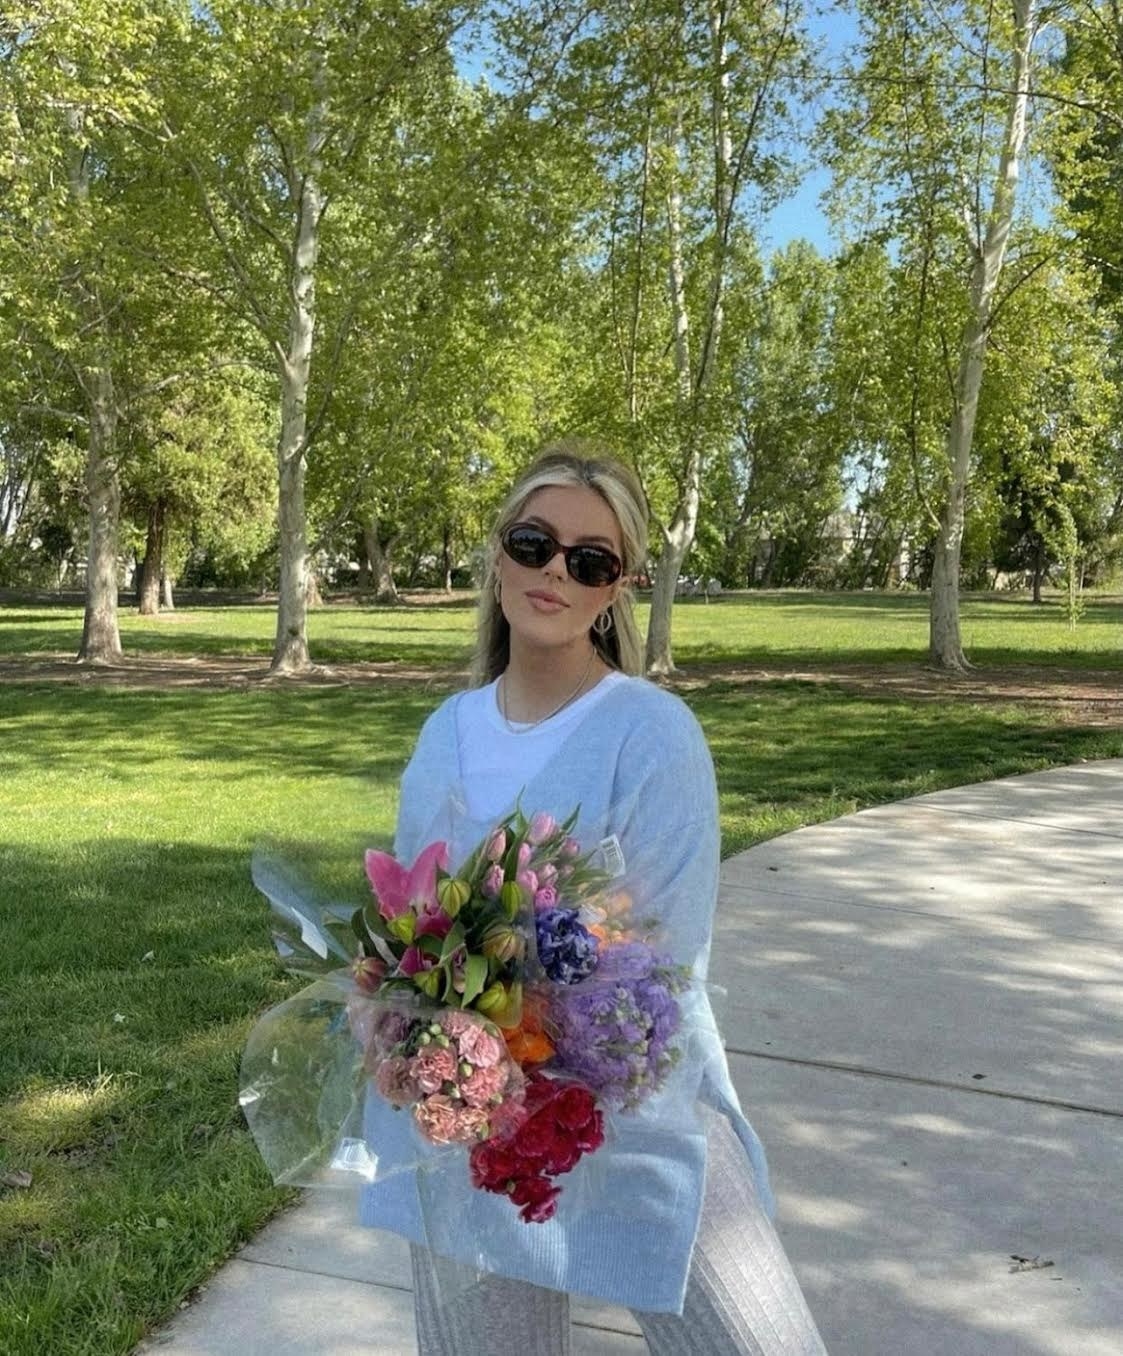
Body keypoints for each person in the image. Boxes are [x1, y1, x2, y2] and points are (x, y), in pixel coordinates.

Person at [359, 444, 827, 1355]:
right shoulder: (446, 730)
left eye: (589, 560)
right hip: (468, 1127)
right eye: (534, 543)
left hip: (636, 1106)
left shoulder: (650, 732)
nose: (554, 573)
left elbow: (668, 954)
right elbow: (412, 924)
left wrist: (506, 1028)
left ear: (617, 588)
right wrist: (396, 1018)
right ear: (497, 552)